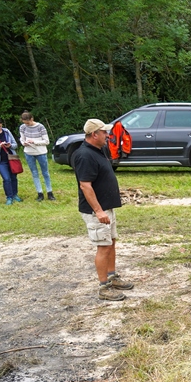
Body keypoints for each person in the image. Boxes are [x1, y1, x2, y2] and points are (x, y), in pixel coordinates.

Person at [72, 119, 134, 302]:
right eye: (104, 132)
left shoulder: (98, 150)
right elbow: (85, 186)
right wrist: (98, 211)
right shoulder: (84, 155)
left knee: (111, 242)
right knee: (103, 247)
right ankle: (103, 287)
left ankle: (112, 276)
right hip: (96, 211)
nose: (108, 136)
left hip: (107, 207)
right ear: (94, 134)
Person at [19, 111, 54, 201]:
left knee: (45, 173)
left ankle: (50, 192)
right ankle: (40, 193)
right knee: (34, 173)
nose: (27, 124)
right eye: (25, 123)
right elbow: (22, 139)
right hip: (29, 153)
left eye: (28, 122)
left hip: (41, 153)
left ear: (32, 119)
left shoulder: (40, 127)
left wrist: (34, 142)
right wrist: (24, 143)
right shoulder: (22, 127)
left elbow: (46, 141)